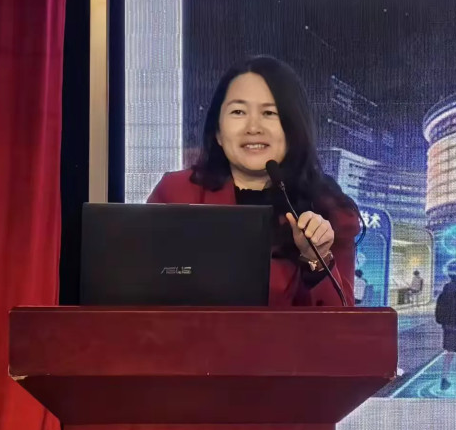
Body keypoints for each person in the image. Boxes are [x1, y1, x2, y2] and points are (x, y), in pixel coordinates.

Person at [148, 56, 361, 307]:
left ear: (292, 129)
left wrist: (316, 258)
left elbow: (342, 324)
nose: (253, 128)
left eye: (269, 113)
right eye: (238, 112)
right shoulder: (175, 194)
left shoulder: (330, 211)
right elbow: (141, 297)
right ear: (218, 132)